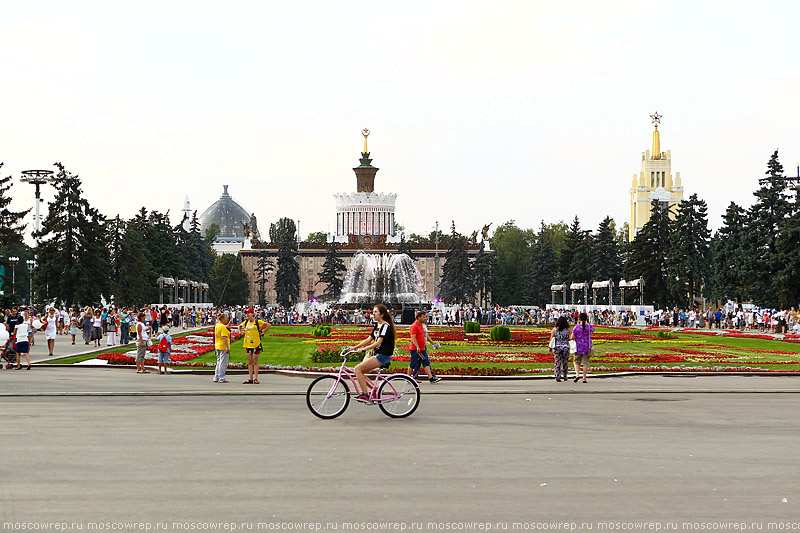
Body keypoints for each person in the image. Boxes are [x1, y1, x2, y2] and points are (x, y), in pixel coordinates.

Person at [349, 304, 396, 403]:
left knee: (358, 369)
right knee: (359, 371)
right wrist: (354, 347)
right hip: (376, 354)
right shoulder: (378, 325)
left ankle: (365, 395)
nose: (372, 314)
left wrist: (363, 349)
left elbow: (378, 342)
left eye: (375, 312)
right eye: (373, 312)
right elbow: (369, 339)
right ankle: (375, 390)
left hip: (383, 356)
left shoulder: (385, 326)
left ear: (382, 314)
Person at [408, 310, 441, 383]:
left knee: (426, 362)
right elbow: (413, 337)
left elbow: (425, 336)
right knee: (413, 364)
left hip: (422, 348)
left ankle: (431, 378)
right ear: (418, 317)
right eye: (423, 317)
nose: (425, 318)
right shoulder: (414, 326)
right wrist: (417, 347)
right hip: (415, 349)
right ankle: (408, 378)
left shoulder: (421, 325)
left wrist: (433, 344)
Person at [240, 308, 270, 384]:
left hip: (256, 343)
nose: (247, 315)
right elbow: (239, 326)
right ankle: (250, 378)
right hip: (248, 343)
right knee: (250, 362)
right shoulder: (246, 322)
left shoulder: (257, 322)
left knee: (255, 361)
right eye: (246, 313)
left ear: (253, 314)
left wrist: (263, 332)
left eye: (248, 313)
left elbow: (268, 325)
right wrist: (240, 332)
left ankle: (255, 378)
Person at [570, 312, 594, 383]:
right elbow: (593, 331)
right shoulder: (589, 327)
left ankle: (577, 375)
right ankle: (584, 377)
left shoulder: (576, 327)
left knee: (576, 361)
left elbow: (572, 337)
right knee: (585, 363)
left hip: (578, 347)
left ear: (579, 318)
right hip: (587, 346)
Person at [549, 316, 570, 382]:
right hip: (566, 347)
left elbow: (551, 338)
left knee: (557, 362)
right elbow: (571, 338)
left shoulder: (555, 329)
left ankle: (557, 375)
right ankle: (565, 375)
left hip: (557, 347)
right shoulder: (568, 330)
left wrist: (550, 347)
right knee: (565, 362)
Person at [214, 312, 231, 383]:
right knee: (223, 363)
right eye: (226, 318)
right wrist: (227, 347)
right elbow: (224, 337)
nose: (227, 319)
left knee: (218, 362)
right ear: (223, 319)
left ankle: (216, 376)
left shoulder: (218, 325)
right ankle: (222, 377)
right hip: (223, 346)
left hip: (217, 345)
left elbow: (222, 329)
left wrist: (228, 325)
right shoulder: (223, 327)